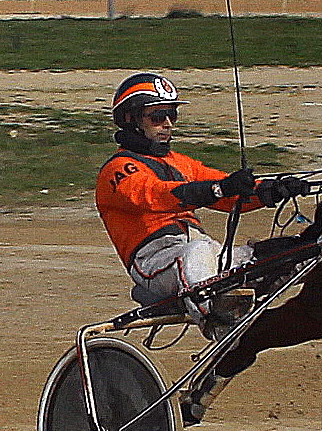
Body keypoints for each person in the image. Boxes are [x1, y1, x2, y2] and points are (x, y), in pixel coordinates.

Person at [95, 73, 295, 331]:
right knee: (197, 251)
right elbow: (158, 194)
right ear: (129, 119)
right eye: (157, 117)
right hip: (155, 262)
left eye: (172, 116)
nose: (168, 124)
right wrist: (217, 189)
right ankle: (216, 321)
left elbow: (231, 194)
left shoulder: (181, 162)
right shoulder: (118, 170)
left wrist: (275, 189)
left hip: (204, 255)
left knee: (281, 252)